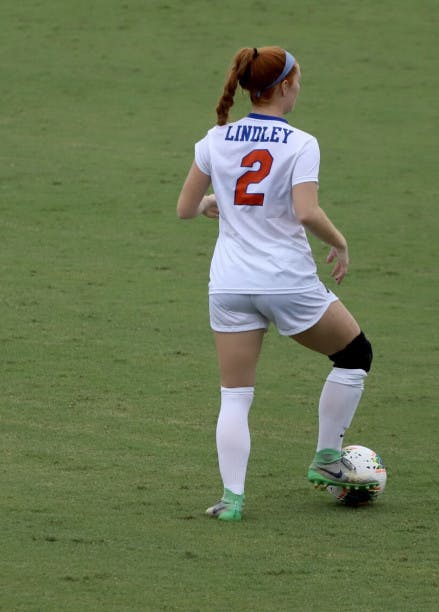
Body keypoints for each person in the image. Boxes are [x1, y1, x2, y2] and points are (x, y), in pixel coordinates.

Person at [176, 46, 377, 522]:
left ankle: (231, 500)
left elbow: (185, 208)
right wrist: (340, 241)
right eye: (298, 81)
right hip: (286, 283)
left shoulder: (215, 138)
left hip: (229, 285)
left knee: (235, 396)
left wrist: (212, 203)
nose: (299, 88)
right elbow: (306, 211)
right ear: (284, 86)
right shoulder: (301, 143)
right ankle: (327, 457)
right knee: (355, 354)